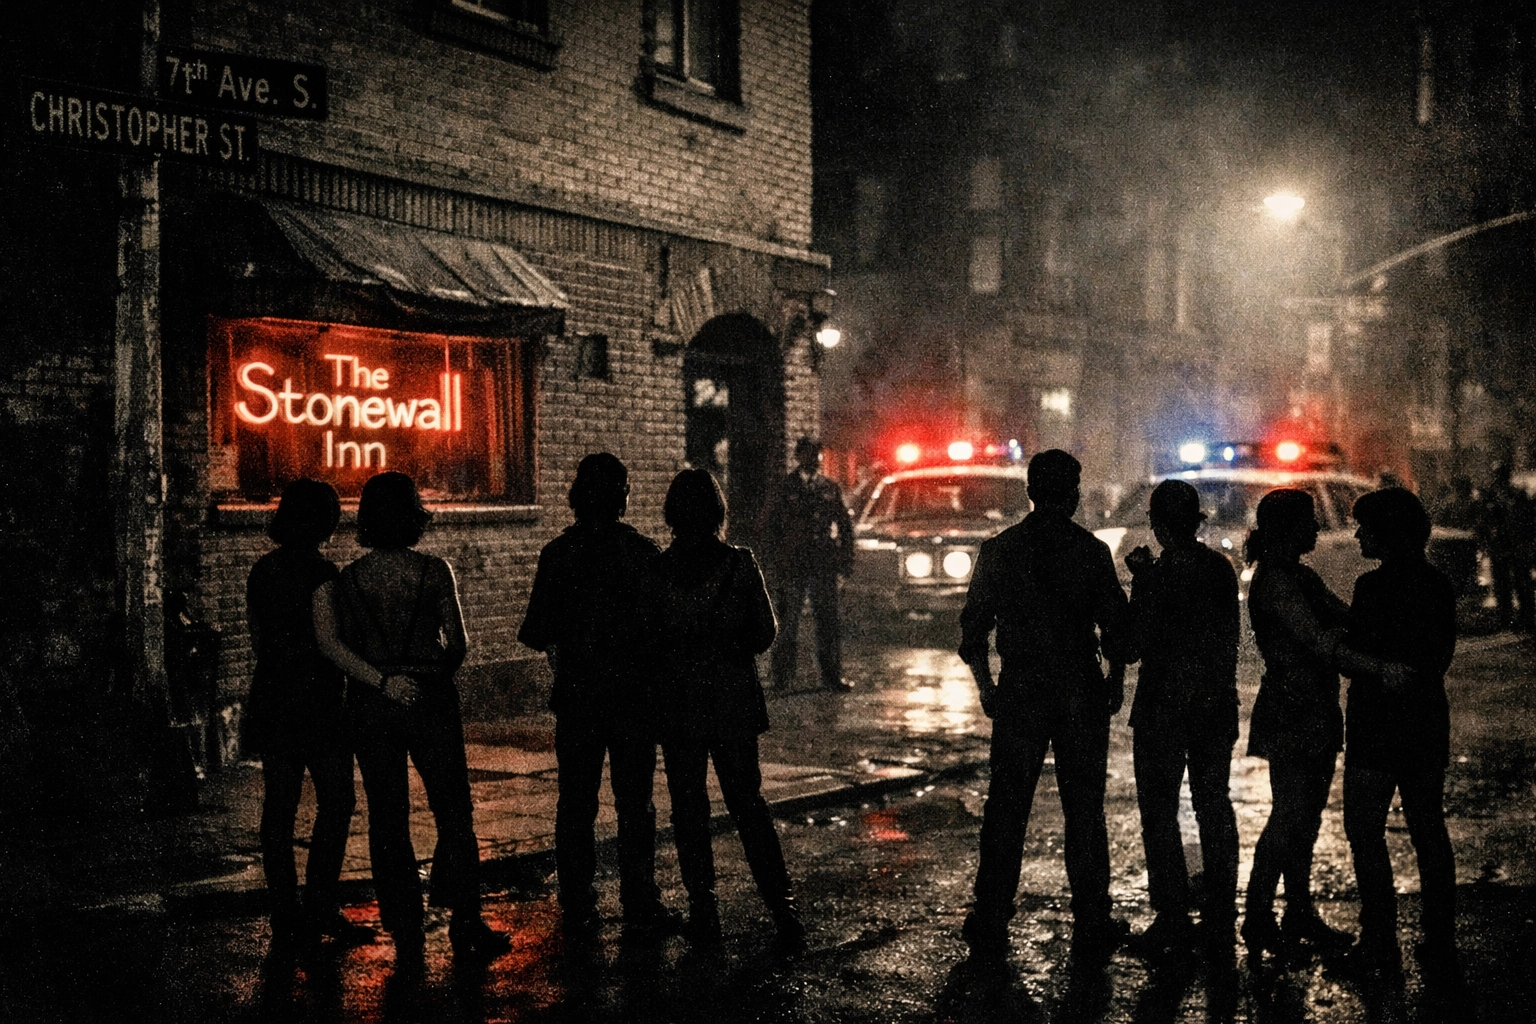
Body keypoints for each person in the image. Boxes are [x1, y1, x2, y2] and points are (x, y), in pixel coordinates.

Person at [313, 472, 509, 967]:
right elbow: (458, 644)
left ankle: (404, 925)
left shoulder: (348, 580)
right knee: (453, 810)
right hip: (430, 697)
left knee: (388, 815)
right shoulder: (434, 571)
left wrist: (383, 680)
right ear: (414, 514)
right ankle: (466, 919)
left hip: (371, 702)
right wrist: (431, 676)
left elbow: (343, 646)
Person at [958, 449, 1132, 962]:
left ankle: (990, 913)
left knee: (1007, 807)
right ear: (1073, 493)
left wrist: (988, 687)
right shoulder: (1091, 551)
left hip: (1021, 689)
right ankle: (1092, 917)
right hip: (1079, 688)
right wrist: (1115, 679)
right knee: (1084, 809)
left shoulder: (1000, 550)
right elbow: (1118, 633)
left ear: (1030, 492)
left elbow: (973, 631)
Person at [517, 453, 680, 939]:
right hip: (633, 697)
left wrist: (566, 654)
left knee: (576, 800)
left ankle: (578, 899)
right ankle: (639, 897)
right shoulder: (644, 553)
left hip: (578, 694)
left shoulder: (558, 554)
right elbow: (663, 632)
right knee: (636, 802)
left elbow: (540, 631)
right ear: (622, 498)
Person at [653, 469, 805, 949]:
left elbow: (645, 639)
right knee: (748, 806)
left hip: (679, 705)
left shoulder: (658, 569)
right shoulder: (740, 565)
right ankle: (783, 910)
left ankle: (704, 911)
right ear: (718, 509)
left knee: (688, 808)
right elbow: (765, 633)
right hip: (733, 702)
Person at [245, 479, 372, 950]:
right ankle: (320, 905)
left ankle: (285, 912)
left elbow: (259, 639)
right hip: (316, 700)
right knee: (336, 801)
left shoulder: (262, 570)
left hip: (272, 695)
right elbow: (329, 643)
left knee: (278, 807)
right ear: (325, 521)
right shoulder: (323, 575)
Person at [1341, 488, 1458, 975]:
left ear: (1386, 534)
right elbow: (1437, 657)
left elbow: (1356, 654)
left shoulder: (1372, 589)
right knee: (1428, 829)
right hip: (1425, 718)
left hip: (1376, 725)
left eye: (1365, 527)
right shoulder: (1438, 586)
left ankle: (1379, 941)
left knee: (1365, 831)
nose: (1357, 534)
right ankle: (1439, 939)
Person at [1122, 480, 1240, 957]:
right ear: (1196, 522)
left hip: (1162, 708)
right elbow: (1224, 640)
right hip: (1213, 705)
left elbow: (1133, 645)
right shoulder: (1219, 569)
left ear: (1156, 525)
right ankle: (1219, 913)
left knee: (1159, 815)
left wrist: (1142, 585)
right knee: (1214, 806)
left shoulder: (1160, 574)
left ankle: (1171, 917)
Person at [1241, 489, 1358, 957]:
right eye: (1307, 521)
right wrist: (1374, 663)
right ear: (1287, 529)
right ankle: (1259, 916)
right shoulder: (1277, 581)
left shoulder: (1294, 575)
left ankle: (1294, 912)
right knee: (1291, 816)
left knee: (1302, 818)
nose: (1315, 529)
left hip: (1307, 705)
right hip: (1295, 707)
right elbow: (1315, 637)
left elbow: (1337, 621)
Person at [759, 437, 855, 692]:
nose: (814, 460)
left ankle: (831, 676)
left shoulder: (829, 487)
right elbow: (770, 527)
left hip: (822, 562)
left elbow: (845, 526)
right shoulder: (785, 487)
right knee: (788, 622)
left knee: (828, 621)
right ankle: (782, 677)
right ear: (798, 456)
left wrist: (845, 560)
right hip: (793, 563)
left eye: (817, 455)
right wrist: (774, 561)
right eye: (809, 454)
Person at [1474, 462, 1535, 631]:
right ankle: (1507, 617)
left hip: (1515, 545)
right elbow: (1483, 521)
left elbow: (1529, 519)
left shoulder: (1516, 495)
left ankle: (1525, 617)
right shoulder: (1491, 496)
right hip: (1501, 546)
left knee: (1521, 583)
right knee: (1503, 585)